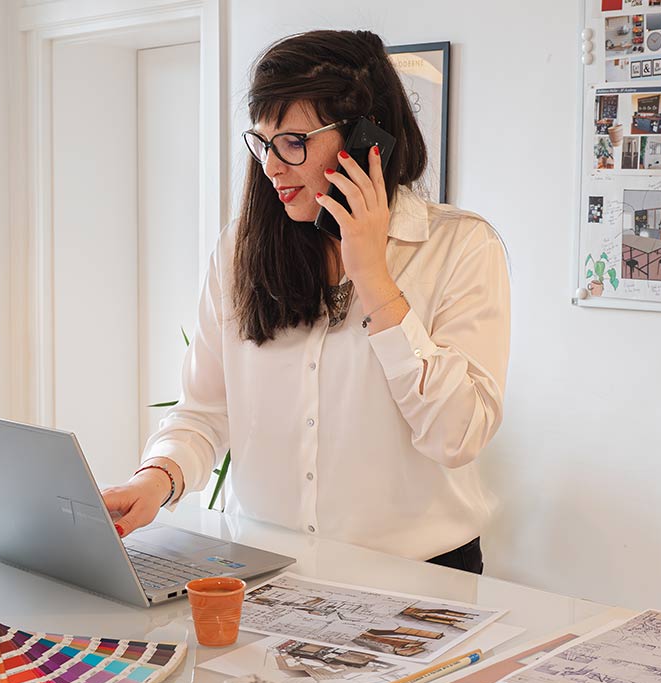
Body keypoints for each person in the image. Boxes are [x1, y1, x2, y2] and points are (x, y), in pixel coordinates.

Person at [101, 29, 510, 575]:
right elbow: (205, 410)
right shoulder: (239, 251)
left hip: (424, 579)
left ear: (366, 141)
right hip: (271, 573)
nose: (271, 167)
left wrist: (372, 276)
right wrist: (157, 478)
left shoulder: (460, 246)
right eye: (264, 142)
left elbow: (457, 435)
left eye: (293, 142)